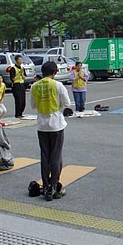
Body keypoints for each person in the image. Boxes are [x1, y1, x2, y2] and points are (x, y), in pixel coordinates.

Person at [30, 61, 71, 201]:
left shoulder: (34, 86)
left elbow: (33, 105)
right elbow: (67, 103)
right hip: (56, 125)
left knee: (45, 156)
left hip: (41, 125)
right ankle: (53, 186)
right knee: (56, 156)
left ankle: (46, 185)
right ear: (55, 72)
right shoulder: (58, 85)